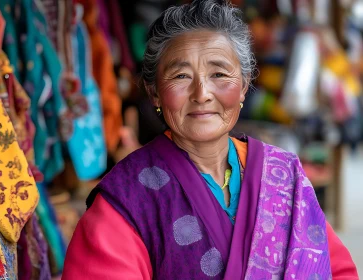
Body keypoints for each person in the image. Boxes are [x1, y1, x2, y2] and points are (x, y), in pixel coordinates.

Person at [62, 0, 359, 279]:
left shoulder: (285, 177)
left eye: (219, 73)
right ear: (154, 92)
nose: (202, 93)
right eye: (181, 76)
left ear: (243, 86)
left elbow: (337, 270)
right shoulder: (127, 200)